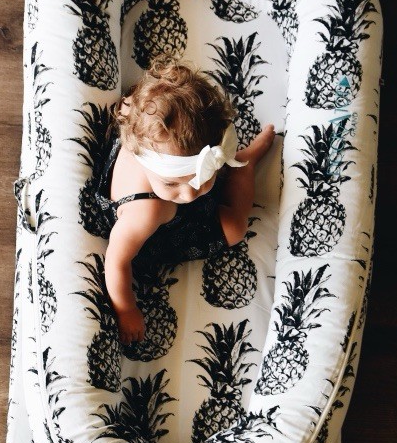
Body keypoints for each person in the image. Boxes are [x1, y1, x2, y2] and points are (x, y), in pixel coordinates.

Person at [94, 55, 276, 346]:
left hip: (161, 201)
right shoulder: (144, 214)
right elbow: (117, 261)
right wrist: (126, 310)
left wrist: (182, 182)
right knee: (235, 227)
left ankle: (239, 164)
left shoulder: (137, 115)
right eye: (173, 183)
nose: (190, 194)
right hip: (161, 230)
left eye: (202, 178)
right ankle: (245, 167)